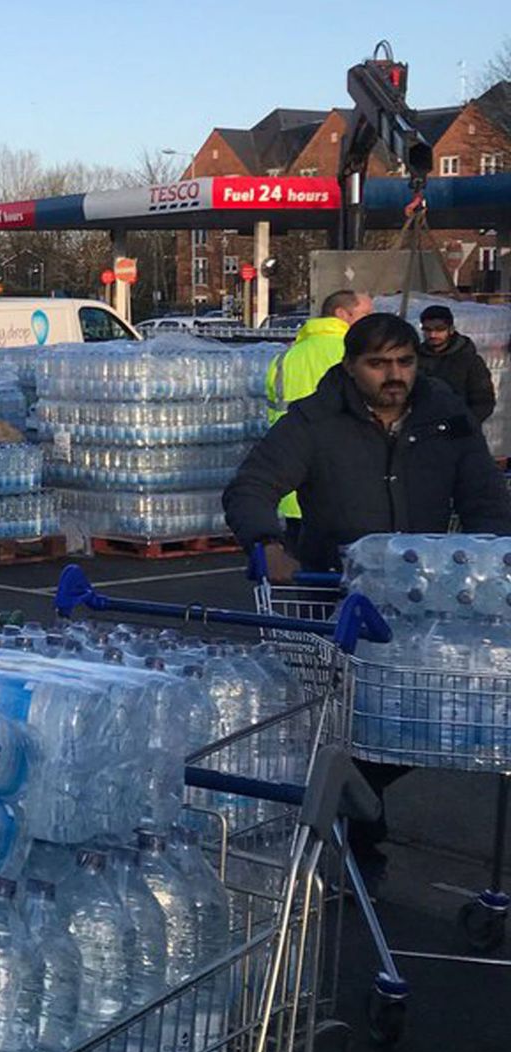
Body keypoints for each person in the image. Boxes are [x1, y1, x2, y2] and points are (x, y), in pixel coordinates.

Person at [224, 312, 511, 867]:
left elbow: (484, 499)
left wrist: (491, 563)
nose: (394, 374)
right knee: (339, 726)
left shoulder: (446, 418)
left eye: (404, 361)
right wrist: (267, 541)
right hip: (335, 598)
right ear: (351, 366)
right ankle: (358, 843)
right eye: (379, 364)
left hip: (423, 606)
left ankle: (359, 808)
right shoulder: (314, 420)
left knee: (423, 726)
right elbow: (251, 487)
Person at [262, 289, 372, 537]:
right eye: (366, 314)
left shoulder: (285, 358)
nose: (372, 321)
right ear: (342, 314)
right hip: (349, 485)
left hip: (293, 484)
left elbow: (272, 414)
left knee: (301, 565)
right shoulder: (358, 356)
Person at [418, 303, 498, 426]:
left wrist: (464, 424)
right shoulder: (416, 358)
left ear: (451, 329)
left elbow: (484, 401)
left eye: (439, 329)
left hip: (458, 430)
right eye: (427, 330)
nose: (433, 335)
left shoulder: (469, 361)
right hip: (421, 429)